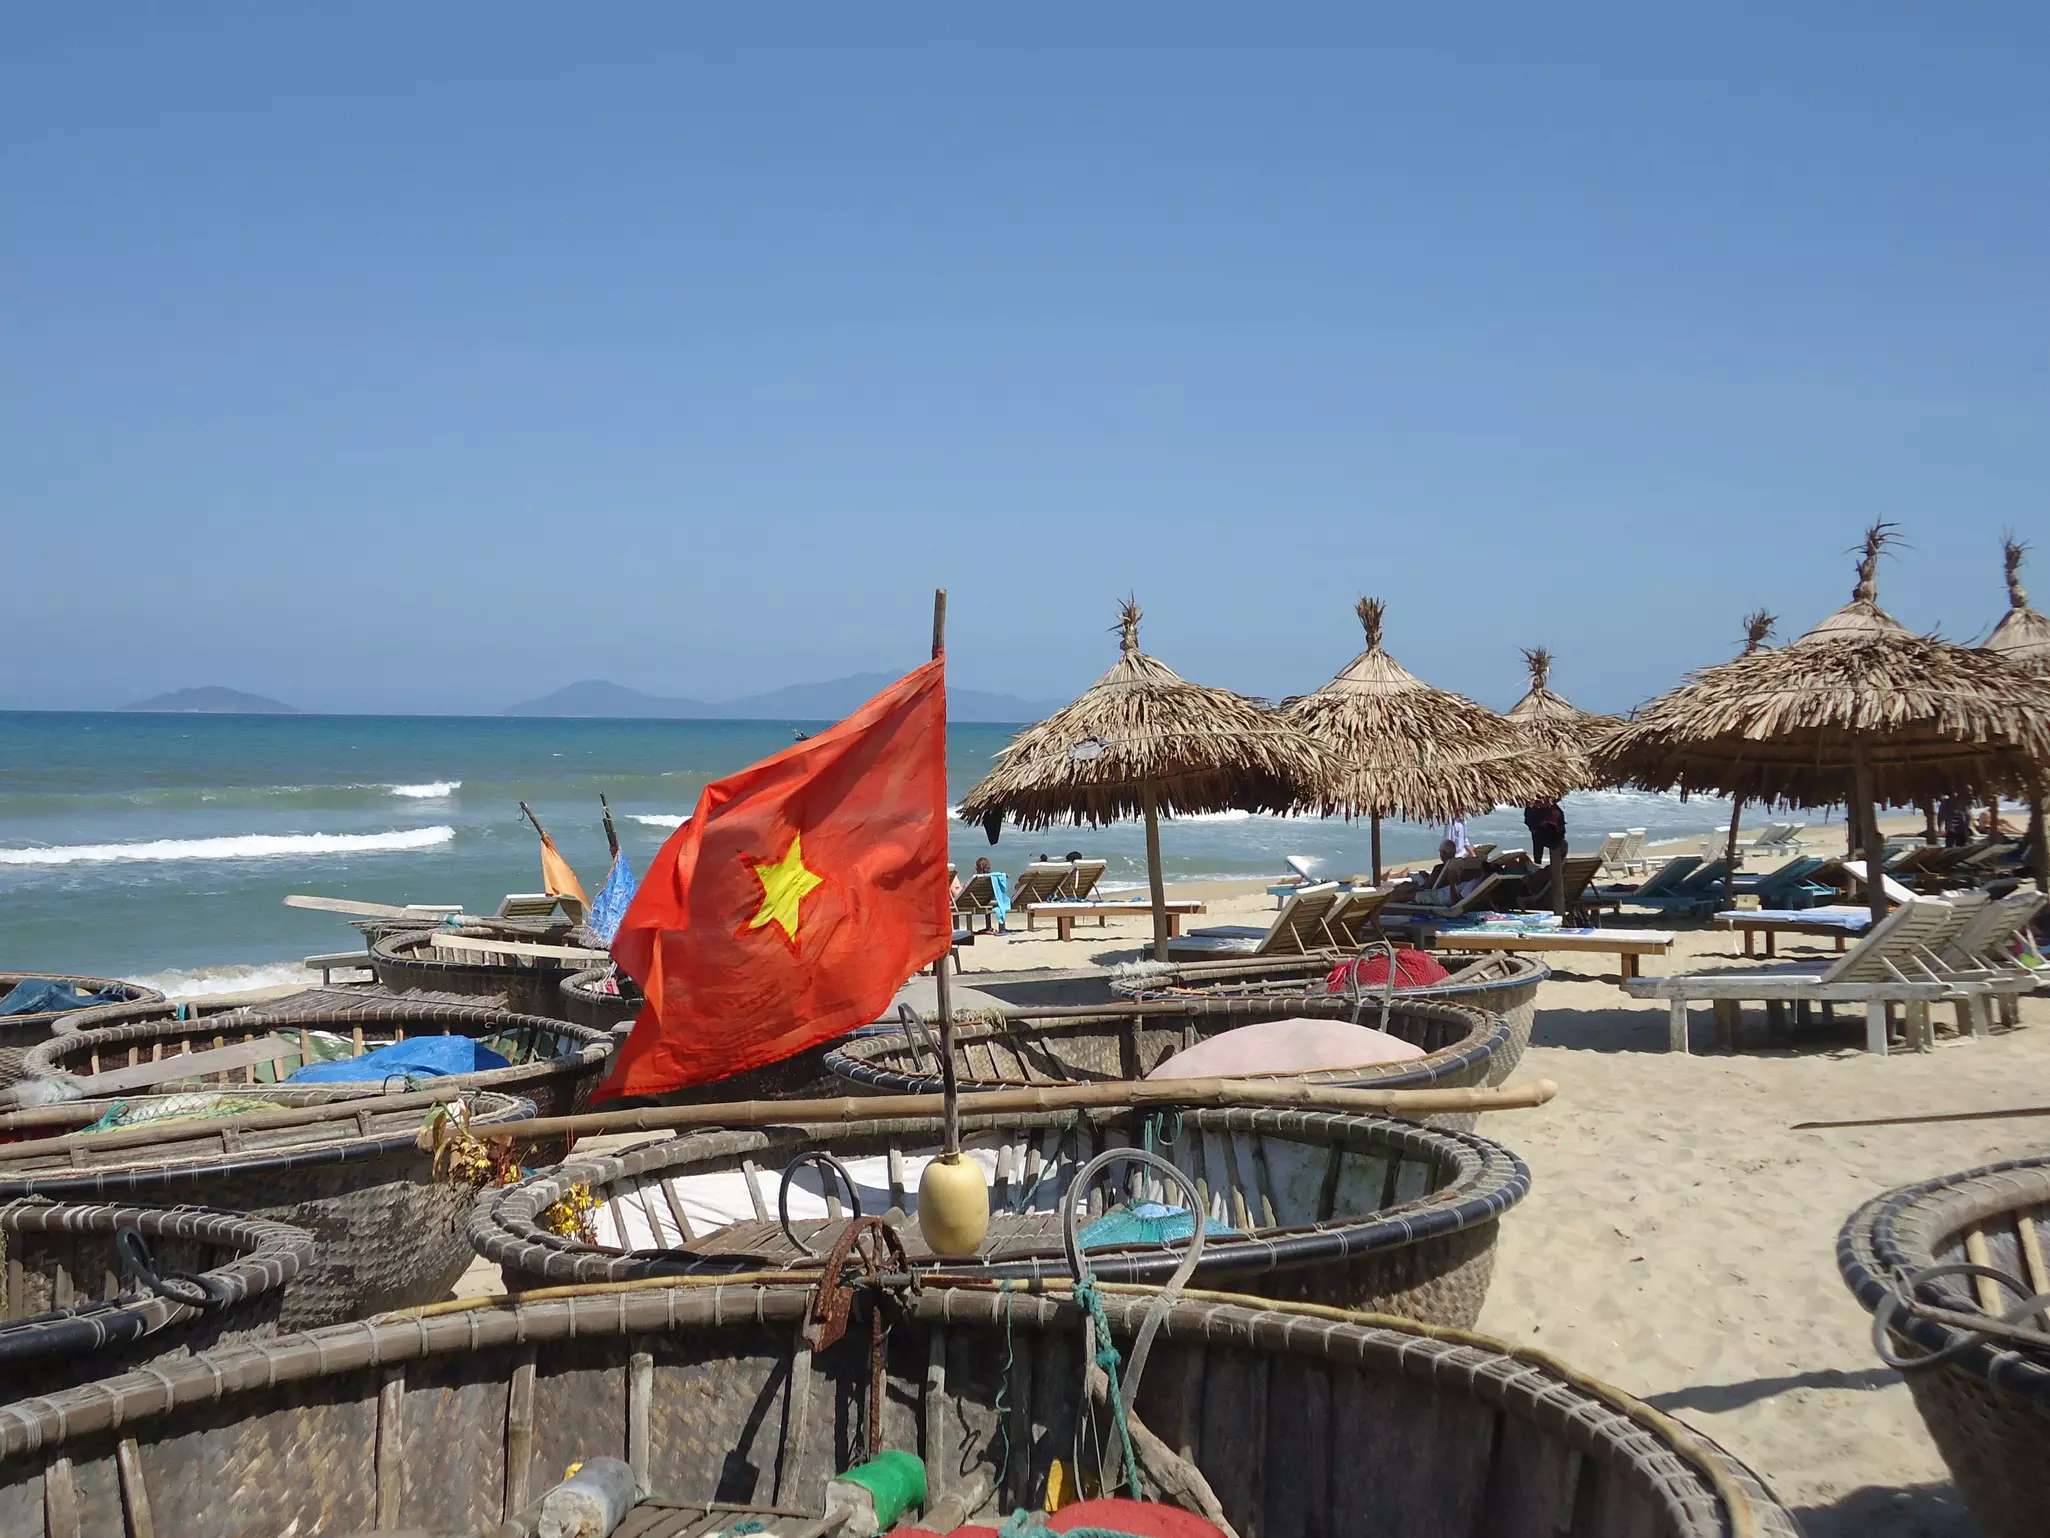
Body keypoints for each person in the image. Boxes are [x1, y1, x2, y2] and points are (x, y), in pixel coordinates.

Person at [976, 855, 1013, 932]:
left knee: (985, 899)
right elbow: (1003, 875)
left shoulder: (976, 878)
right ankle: (1001, 928)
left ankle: (988, 926)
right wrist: (1004, 875)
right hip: (990, 900)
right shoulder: (993, 877)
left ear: (977, 868)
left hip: (979, 901)